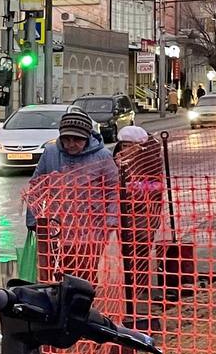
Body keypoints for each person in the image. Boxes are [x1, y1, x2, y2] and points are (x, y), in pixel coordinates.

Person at [25, 107, 118, 287]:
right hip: (57, 228)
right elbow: (36, 187)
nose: (71, 144)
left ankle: (84, 301)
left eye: (77, 139)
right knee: (59, 274)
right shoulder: (51, 153)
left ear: (87, 137)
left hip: (90, 230)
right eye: (66, 139)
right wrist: (33, 219)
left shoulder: (103, 156)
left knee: (85, 274)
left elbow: (114, 190)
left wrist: (110, 222)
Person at [113, 125, 165, 310]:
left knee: (142, 247)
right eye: (124, 145)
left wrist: (134, 188)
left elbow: (157, 186)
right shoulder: (117, 161)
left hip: (146, 212)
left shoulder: (150, 161)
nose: (126, 149)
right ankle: (132, 284)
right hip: (124, 213)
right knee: (127, 248)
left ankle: (139, 286)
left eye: (130, 145)